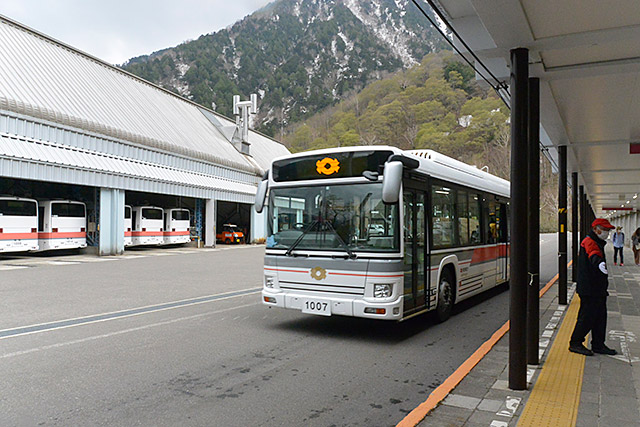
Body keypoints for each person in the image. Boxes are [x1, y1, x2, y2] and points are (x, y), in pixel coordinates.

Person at [569, 218, 618, 356]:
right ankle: (576, 343)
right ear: (596, 229)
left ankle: (598, 344)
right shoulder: (589, 241)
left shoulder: (596, 241)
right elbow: (593, 254)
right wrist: (599, 264)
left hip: (597, 288)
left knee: (600, 317)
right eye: (605, 230)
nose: (607, 233)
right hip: (589, 288)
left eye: (608, 230)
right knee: (587, 317)